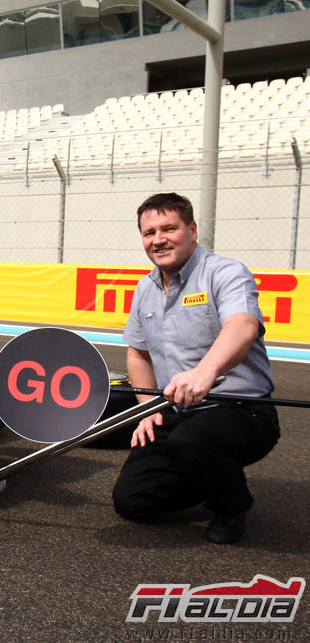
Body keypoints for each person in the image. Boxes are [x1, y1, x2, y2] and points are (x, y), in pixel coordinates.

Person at [112, 193, 279, 544]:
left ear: (192, 230)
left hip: (238, 411)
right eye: (149, 232)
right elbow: (138, 353)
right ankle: (209, 477)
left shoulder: (225, 272)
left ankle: (231, 505)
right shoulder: (145, 288)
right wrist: (146, 410)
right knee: (133, 501)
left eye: (169, 228)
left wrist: (205, 372)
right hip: (175, 412)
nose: (158, 239)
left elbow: (243, 326)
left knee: (195, 441)